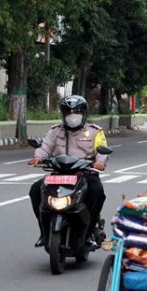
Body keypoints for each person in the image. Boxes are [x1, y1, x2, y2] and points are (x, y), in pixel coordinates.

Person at [28, 95, 108, 247]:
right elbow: (44, 147)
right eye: (69, 112)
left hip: (85, 174)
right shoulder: (55, 131)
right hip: (60, 175)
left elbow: (102, 150)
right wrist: (38, 158)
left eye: (76, 112)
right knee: (35, 190)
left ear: (84, 113)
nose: (73, 116)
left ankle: (89, 233)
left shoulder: (94, 132)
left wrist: (99, 162)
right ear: (63, 114)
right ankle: (44, 233)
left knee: (97, 191)